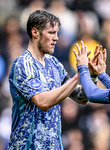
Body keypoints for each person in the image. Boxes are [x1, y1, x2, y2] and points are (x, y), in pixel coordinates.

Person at [8, 10, 94, 149]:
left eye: (57, 33)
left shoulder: (54, 64)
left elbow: (81, 98)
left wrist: (91, 75)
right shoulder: (23, 64)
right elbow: (43, 101)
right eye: (51, 33)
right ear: (35, 32)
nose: (56, 38)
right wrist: (78, 76)